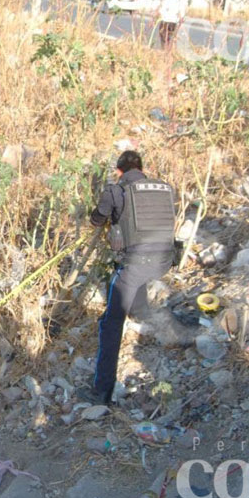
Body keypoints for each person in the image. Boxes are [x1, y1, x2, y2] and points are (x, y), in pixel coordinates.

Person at [86, 151, 176, 405]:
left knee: (110, 323)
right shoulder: (165, 188)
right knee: (138, 274)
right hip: (164, 261)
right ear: (142, 168)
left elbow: (96, 220)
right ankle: (141, 312)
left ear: (119, 171)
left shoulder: (117, 191)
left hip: (137, 264)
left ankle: (102, 392)